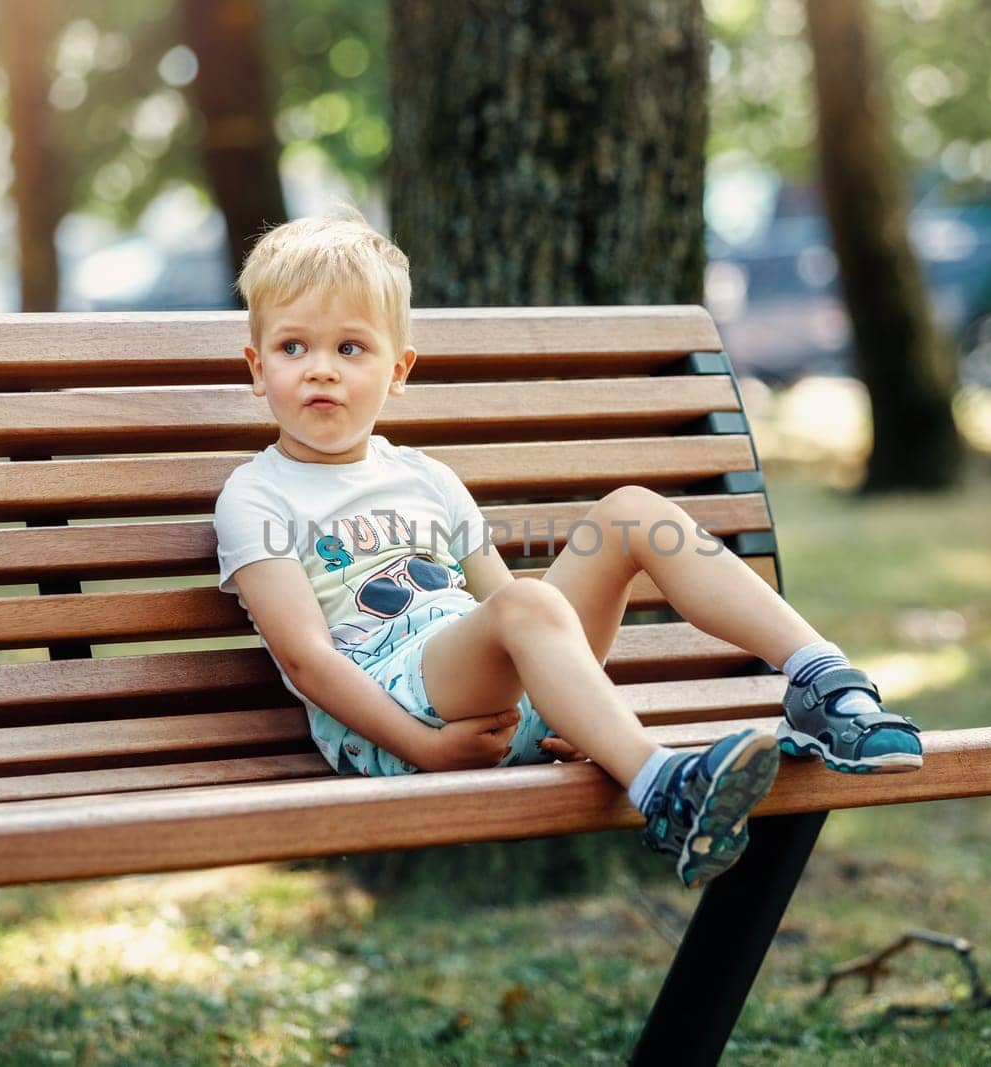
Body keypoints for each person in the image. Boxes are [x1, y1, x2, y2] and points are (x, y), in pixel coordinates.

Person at [213, 208, 922, 889]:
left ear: (398, 371)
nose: (321, 369)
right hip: (392, 719)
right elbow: (307, 659)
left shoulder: (425, 476)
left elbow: (502, 602)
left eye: (351, 347)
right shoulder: (257, 495)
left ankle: (826, 684)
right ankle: (661, 788)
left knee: (634, 513)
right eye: (293, 347)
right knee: (529, 600)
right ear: (256, 366)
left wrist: (572, 703)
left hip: (479, 688)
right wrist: (423, 746)